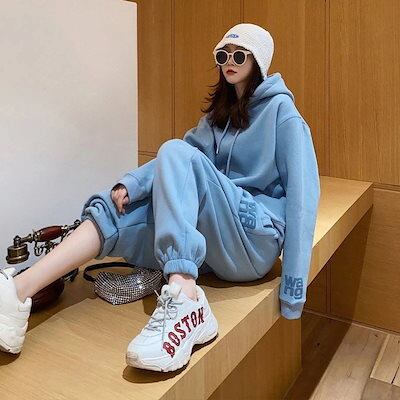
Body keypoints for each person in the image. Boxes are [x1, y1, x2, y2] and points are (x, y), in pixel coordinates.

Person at [0, 23, 320, 372]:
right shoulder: (218, 116)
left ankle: (186, 298)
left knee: (175, 150)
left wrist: (293, 294)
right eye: (223, 55)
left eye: (239, 56)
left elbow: (302, 203)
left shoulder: (283, 115)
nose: (229, 61)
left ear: (258, 61)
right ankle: (17, 294)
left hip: (255, 240)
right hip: (219, 237)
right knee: (119, 208)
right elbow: (182, 163)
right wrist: (133, 184)